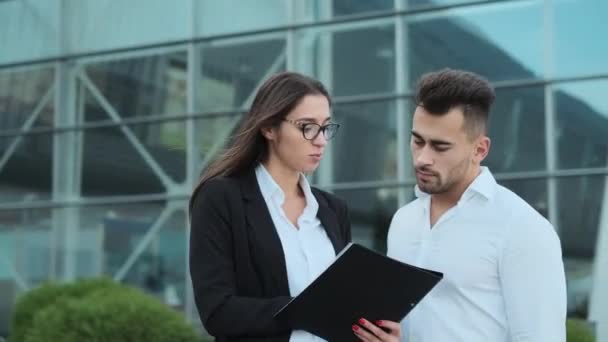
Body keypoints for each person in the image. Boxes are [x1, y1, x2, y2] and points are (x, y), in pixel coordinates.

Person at [189, 71, 400, 342]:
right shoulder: (221, 198)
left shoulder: (333, 210)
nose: (321, 140)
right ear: (268, 128)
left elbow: (340, 309)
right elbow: (217, 312)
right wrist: (305, 309)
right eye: (307, 127)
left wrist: (372, 330)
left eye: (325, 127)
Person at [387, 69, 567, 341]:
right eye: (418, 141)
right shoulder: (403, 221)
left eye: (440, 146)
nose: (422, 158)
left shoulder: (522, 228)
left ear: (480, 150)